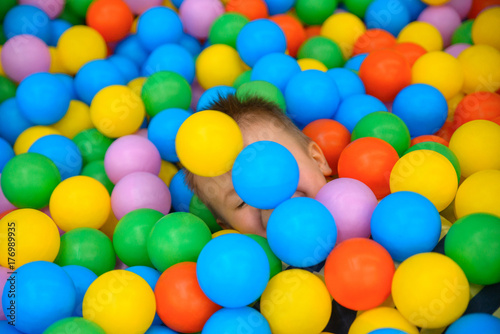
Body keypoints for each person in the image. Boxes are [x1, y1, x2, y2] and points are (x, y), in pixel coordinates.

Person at [184, 94, 332, 238]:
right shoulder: (256, 261)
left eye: (278, 169)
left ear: (317, 160)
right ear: (229, 227)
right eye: (242, 201)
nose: (269, 194)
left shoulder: (353, 205)